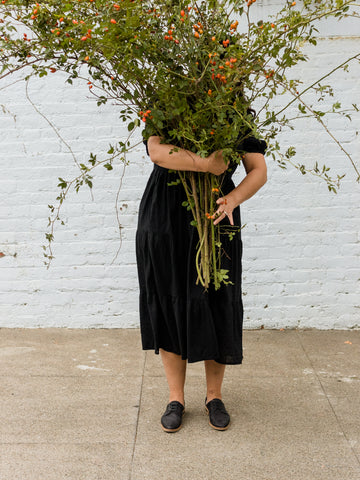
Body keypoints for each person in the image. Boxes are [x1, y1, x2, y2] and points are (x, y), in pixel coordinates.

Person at [136, 133, 267, 432]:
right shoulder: (166, 102)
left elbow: (258, 170)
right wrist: (208, 164)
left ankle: (214, 397)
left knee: (218, 298)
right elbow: (157, 152)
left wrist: (233, 199)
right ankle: (175, 399)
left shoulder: (235, 112)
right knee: (168, 295)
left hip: (217, 212)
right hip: (164, 214)